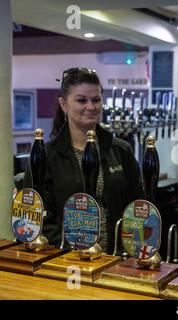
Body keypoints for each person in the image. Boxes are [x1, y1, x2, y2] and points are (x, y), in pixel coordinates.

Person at [24, 67, 144, 254]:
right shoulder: (46, 155)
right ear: (64, 104)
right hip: (66, 262)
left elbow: (137, 205)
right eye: (81, 100)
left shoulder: (121, 150)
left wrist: (128, 251)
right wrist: (70, 253)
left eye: (96, 100)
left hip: (116, 261)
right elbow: (37, 217)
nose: (91, 106)